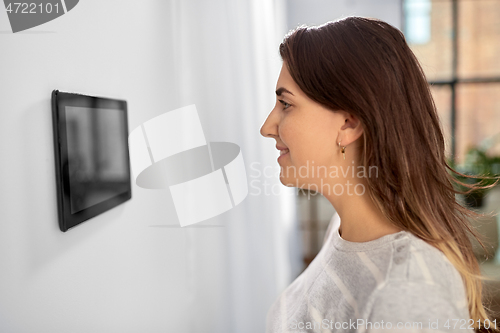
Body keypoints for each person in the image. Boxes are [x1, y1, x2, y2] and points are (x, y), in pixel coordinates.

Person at [260, 17, 500, 333]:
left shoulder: (407, 291)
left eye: (285, 104)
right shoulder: (345, 230)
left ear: (349, 123)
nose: (267, 127)